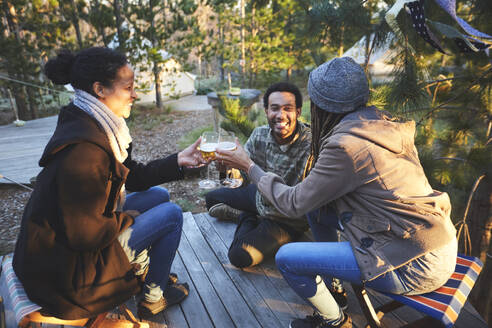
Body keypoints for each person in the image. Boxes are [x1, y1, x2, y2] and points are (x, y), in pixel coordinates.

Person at [216, 57, 458, 328]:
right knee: (316, 210)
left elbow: (293, 203)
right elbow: (310, 202)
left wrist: (248, 166)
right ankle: (335, 287)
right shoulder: (380, 125)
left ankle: (334, 320)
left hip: (412, 265)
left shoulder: (345, 146)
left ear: (319, 107)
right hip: (437, 244)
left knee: (287, 259)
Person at [13, 47, 206, 320]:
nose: (135, 94)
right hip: (69, 277)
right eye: (128, 87)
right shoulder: (83, 151)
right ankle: (152, 298)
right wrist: (126, 218)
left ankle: (152, 276)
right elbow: (85, 234)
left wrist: (179, 161)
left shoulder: (94, 123)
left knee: (159, 197)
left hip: (67, 251)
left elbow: (132, 175)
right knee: (172, 215)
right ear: (100, 90)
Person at [205, 82, 312, 266]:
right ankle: (246, 214)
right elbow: (243, 178)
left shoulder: (311, 144)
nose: (281, 115)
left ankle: (244, 216)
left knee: (239, 256)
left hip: (286, 219)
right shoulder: (259, 135)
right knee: (211, 198)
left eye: (288, 109)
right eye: (275, 108)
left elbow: (306, 199)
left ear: (298, 112)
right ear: (266, 111)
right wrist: (227, 170)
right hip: (260, 199)